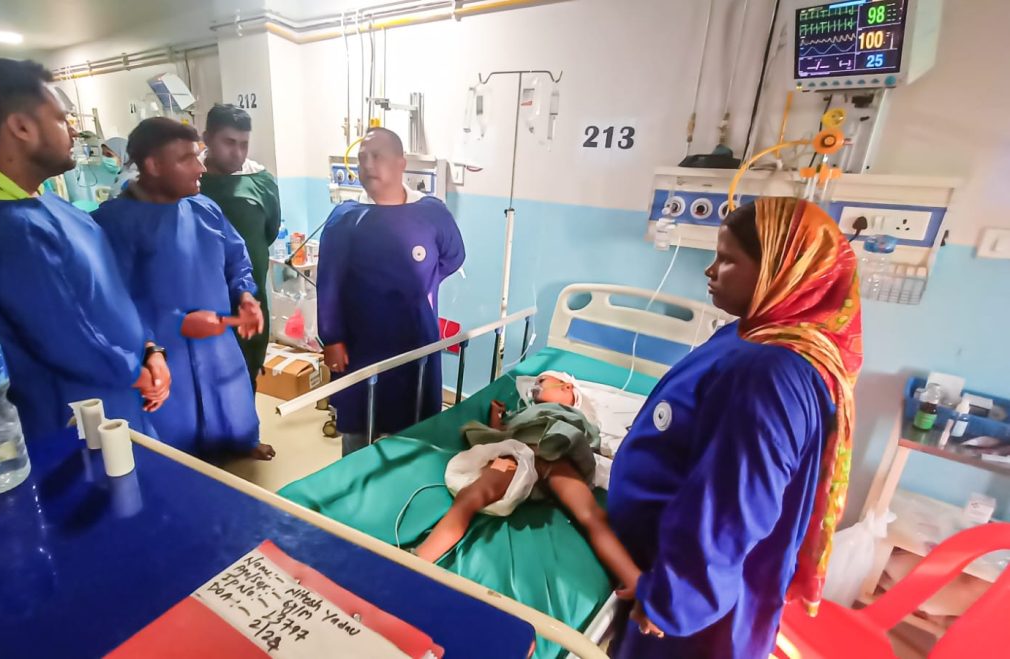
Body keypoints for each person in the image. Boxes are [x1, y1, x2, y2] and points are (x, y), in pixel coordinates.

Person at [607, 197, 862, 659]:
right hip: (663, 559)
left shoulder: (771, 374)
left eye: (727, 260)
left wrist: (673, 602)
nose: (710, 271)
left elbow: (733, 507)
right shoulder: (752, 332)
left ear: (780, 271)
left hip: (698, 611)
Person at [0, 57, 169, 439]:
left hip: (116, 390)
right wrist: (133, 369)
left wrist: (149, 347)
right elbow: (62, 336)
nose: (74, 130)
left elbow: (106, 291)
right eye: (62, 119)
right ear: (21, 127)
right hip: (74, 418)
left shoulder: (40, 201)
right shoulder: (3, 223)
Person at [92, 117, 275, 461]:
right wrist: (173, 323)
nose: (200, 168)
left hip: (217, 345)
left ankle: (242, 442)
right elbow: (110, 301)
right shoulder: (115, 224)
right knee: (176, 441)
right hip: (163, 351)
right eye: (187, 159)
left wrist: (245, 295)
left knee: (231, 405)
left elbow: (236, 257)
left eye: (197, 156)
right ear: (153, 166)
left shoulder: (204, 209)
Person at [415, 372, 646, 605]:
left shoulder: (578, 416)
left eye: (541, 382)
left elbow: (590, 444)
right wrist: (496, 416)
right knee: (471, 495)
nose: (535, 387)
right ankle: (419, 561)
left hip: (558, 457)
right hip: (518, 455)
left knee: (590, 514)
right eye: (534, 383)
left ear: (566, 387)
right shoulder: (525, 412)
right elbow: (502, 435)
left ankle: (634, 579)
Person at [317, 127, 465, 456]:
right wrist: (332, 338)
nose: (368, 165)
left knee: (415, 421)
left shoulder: (431, 214)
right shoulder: (346, 219)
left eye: (377, 156)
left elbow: (454, 256)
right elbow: (330, 283)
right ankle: (355, 479)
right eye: (362, 158)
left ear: (401, 163)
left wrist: (421, 285)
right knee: (359, 424)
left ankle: (409, 473)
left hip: (415, 336)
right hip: (360, 342)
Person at [199, 104, 281, 388]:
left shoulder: (260, 182)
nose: (237, 153)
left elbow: (269, 232)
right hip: (202, 299)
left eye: (244, 144)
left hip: (250, 299)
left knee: (246, 375)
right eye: (229, 142)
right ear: (207, 139)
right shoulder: (191, 180)